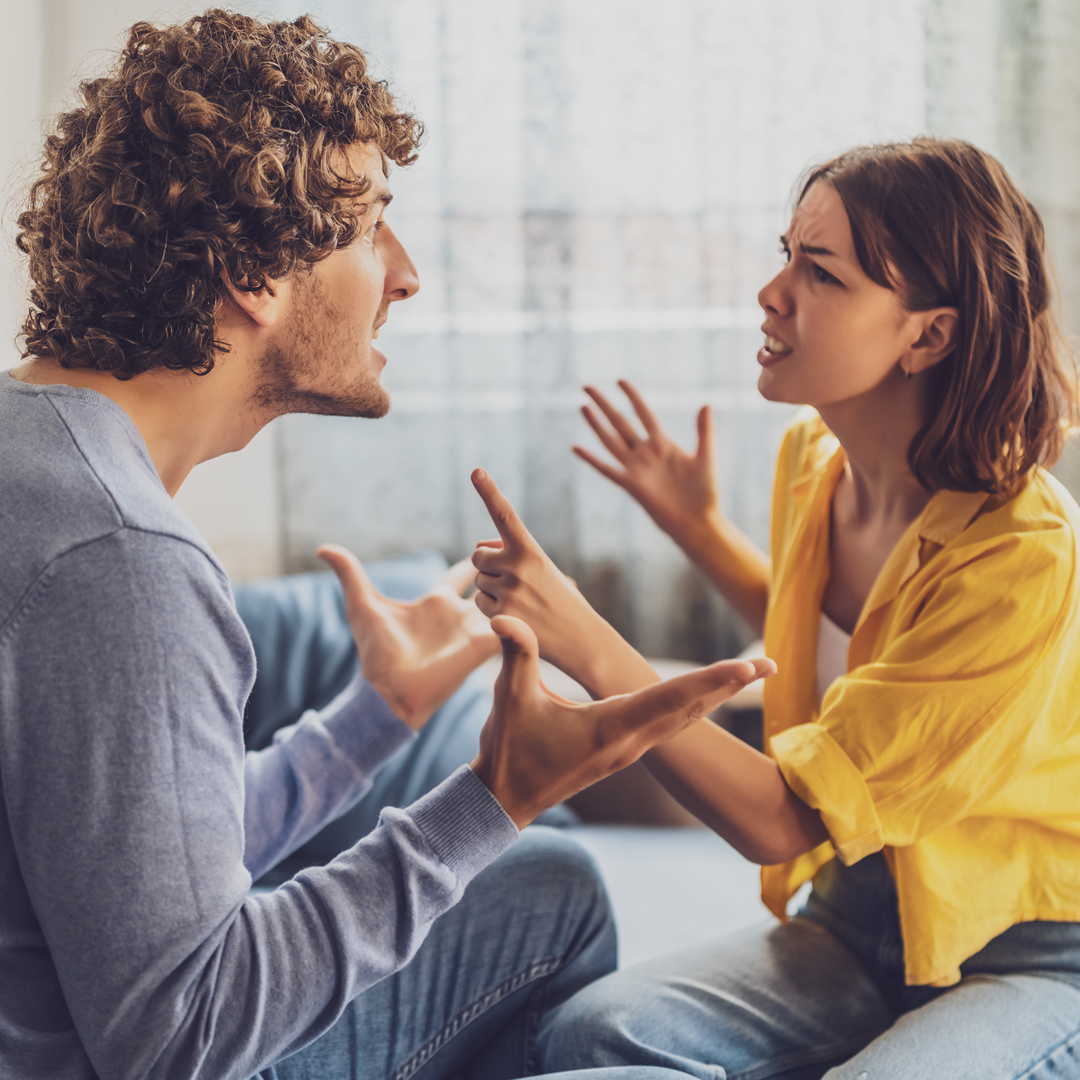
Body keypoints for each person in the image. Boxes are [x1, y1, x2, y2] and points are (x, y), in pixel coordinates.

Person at [0, 11, 770, 1080]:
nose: (404, 276)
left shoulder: (30, 451)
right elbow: (181, 1030)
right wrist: (494, 795)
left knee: (548, 882)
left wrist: (379, 716)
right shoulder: (123, 563)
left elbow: (147, 872)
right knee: (553, 888)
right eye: (371, 230)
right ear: (254, 274)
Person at [470, 138, 1080, 1078]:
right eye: (785, 253)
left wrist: (586, 638)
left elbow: (784, 818)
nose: (772, 290)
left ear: (929, 334)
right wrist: (700, 529)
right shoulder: (815, 463)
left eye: (821, 273)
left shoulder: (1021, 555)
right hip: (855, 914)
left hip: (1024, 950)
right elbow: (847, 654)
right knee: (590, 1035)